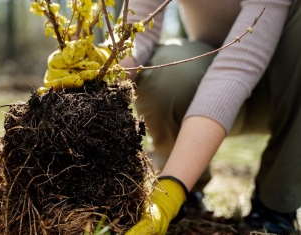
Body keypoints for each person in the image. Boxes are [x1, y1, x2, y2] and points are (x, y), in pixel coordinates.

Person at [44, 0, 301, 234]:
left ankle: (275, 205)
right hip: (208, 74)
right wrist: (103, 63)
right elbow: (136, 33)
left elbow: (237, 68)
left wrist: (170, 194)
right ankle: (189, 188)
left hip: (287, 91)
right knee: (169, 69)